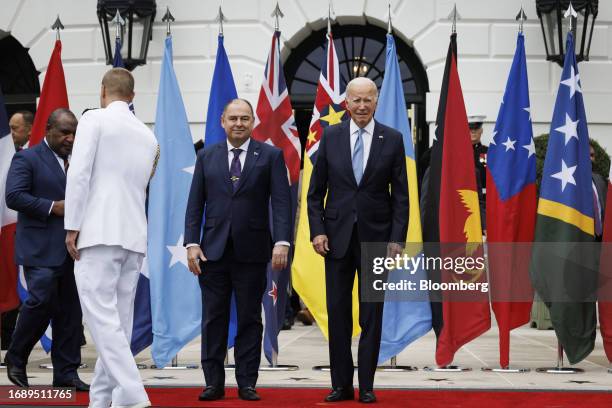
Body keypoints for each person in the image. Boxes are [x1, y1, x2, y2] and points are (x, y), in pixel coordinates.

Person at [307, 77, 409, 403]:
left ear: (376, 102)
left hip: (377, 241)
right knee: (338, 314)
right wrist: (317, 230)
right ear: (346, 103)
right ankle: (341, 385)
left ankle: (366, 385)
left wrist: (397, 240)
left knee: (371, 316)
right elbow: (314, 194)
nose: (362, 105)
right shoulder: (331, 136)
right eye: (356, 100)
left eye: (368, 100)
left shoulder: (391, 139)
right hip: (335, 240)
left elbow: (402, 197)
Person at [185, 98, 291, 402]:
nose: (238, 123)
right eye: (233, 118)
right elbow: (195, 205)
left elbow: (281, 203)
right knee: (213, 318)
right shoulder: (206, 156)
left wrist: (281, 241)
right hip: (212, 252)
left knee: (249, 319)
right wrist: (192, 243)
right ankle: (213, 383)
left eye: (244, 118)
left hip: (253, 251)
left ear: (253, 121)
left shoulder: (270, 156)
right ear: (222, 121)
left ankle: (247, 382)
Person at [64, 68, 158, 408]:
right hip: (133, 236)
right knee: (117, 323)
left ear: (103, 91)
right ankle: (103, 400)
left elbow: (79, 174)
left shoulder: (94, 120)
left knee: (103, 322)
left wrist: (72, 224)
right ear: (132, 96)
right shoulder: (148, 136)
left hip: (99, 231)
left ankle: (133, 395)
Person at [4, 108, 88, 391]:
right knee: (41, 300)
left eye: (74, 133)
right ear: (48, 130)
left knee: (70, 312)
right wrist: (53, 207)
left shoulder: (79, 159)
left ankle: (66, 372)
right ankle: (16, 357)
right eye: (64, 132)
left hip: (75, 250)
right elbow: (14, 196)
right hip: (40, 248)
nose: (70, 138)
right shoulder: (26, 158)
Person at [468, 114, 488, 232]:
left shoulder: (488, 152)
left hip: (484, 200)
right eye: (470, 129)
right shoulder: (459, 153)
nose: (473, 132)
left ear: (481, 131)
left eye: (476, 129)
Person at [590, 142, 607, 241]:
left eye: (592, 155)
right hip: (583, 240)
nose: (591, 158)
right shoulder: (573, 183)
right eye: (587, 155)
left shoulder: (599, 179)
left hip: (601, 239)